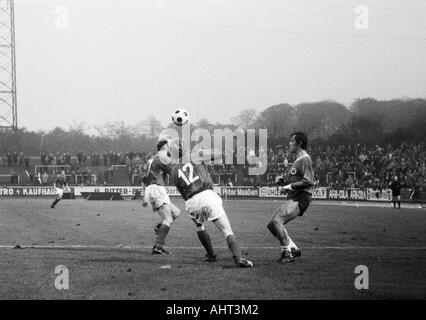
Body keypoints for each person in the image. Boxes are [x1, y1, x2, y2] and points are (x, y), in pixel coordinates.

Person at [169, 139, 253, 268]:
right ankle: (238, 257)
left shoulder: (174, 171)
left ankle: (211, 255)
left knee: (200, 226)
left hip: (192, 201)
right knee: (226, 230)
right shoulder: (195, 155)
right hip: (207, 195)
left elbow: (183, 195)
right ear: (185, 147)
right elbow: (218, 154)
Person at [267, 132, 314, 264]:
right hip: (293, 197)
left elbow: (308, 181)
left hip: (300, 198)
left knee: (277, 222)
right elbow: (292, 181)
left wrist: (288, 187)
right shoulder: (297, 161)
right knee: (272, 225)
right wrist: (282, 181)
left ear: (299, 144)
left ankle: (286, 253)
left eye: (292, 141)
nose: (289, 144)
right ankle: (293, 248)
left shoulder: (305, 159)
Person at [141, 138, 181, 255]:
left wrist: (145, 196)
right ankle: (158, 247)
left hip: (153, 189)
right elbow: (175, 174)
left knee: (176, 212)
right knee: (168, 219)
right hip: (157, 188)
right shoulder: (163, 157)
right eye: (169, 146)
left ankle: (161, 227)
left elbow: (143, 179)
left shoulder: (151, 159)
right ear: (164, 147)